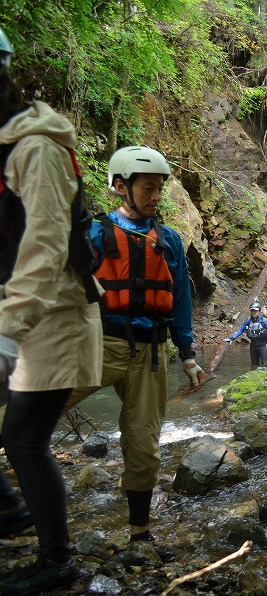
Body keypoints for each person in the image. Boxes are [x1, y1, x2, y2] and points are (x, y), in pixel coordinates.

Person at [0, 28, 103, 593]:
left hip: (54, 313)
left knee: (24, 437)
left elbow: (43, 245)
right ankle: (12, 513)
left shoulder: (35, 148)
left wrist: (7, 333)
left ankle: (56, 558)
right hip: (21, 308)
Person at [66, 145, 204, 545]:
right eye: (148, 188)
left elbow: (179, 301)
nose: (156, 196)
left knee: (144, 445)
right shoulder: (93, 233)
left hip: (151, 355)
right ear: (120, 186)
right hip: (96, 345)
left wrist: (189, 354)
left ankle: (139, 532)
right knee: (31, 411)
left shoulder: (171, 241)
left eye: (160, 188)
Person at [226, 302, 267, 369]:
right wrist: (232, 339)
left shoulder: (264, 321)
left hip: (263, 346)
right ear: (250, 311)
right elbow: (241, 330)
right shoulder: (248, 321)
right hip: (253, 346)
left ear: (259, 311)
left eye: (256, 311)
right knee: (254, 365)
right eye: (252, 310)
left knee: (264, 364)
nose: (254, 312)